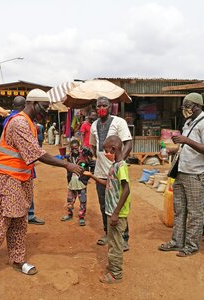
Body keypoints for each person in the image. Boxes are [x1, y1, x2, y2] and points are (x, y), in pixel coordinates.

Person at [0, 89, 83, 286]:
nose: (45, 112)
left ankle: (18, 259)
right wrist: (66, 165)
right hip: (4, 182)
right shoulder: (18, 122)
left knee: (19, 222)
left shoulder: (30, 124)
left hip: (20, 182)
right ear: (33, 104)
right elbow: (36, 153)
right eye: (43, 108)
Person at [158, 92, 204, 257]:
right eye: (183, 106)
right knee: (180, 209)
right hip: (182, 171)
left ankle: (191, 245)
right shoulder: (189, 122)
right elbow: (187, 147)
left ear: (197, 106)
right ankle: (177, 241)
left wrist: (186, 140)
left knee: (194, 212)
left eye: (187, 106)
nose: (185, 109)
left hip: (196, 173)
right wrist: (172, 148)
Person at [85, 135, 131, 284]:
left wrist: (116, 213)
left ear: (113, 149)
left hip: (116, 213)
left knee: (116, 244)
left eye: (106, 151)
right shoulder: (114, 166)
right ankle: (113, 266)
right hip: (111, 211)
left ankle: (116, 274)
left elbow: (126, 190)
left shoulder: (121, 166)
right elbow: (109, 185)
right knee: (112, 242)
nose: (105, 154)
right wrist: (91, 176)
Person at [89, 96, 132, 251]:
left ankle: (123, 237)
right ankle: (108, 233)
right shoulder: (94, 124)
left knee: (119, 205)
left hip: (115, 172)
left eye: (104, 105)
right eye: (98, 105)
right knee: (104, 205)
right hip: (100, 172)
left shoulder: (119, 122)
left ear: (110, 107)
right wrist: (95, 157)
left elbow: (128, 142)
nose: (101, 108)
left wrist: (119, 163)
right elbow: (92, 145)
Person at [3, 96, 45, 225]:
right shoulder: (19, 121)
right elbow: (33, 150)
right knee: (21, 193)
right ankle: (27, 215)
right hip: (16, 167)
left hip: (18, 166)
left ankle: (23, 216)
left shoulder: (9, 119)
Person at [60, 140, 94, 226]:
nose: (74, 149)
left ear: (79, 147)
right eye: (72, 148)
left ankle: (81, 217)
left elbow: (93, 163)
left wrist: (90, 174)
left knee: (82, 200)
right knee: (70, 200)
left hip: (82, 183)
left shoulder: (84, 156)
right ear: (70, 149)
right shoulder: (68, 157)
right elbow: (61, 161)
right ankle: (69, 214)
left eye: (76, 147)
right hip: (71, 183)